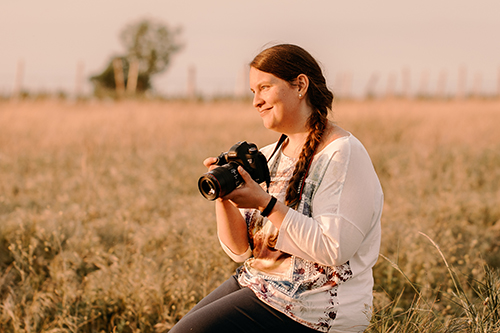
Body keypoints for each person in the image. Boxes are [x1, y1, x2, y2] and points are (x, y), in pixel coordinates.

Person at [170, 44, 383, 333]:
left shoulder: (342, 153)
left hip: (318, 306)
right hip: (262, 284)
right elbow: (239, 251)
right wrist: (223, 196)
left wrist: (266, 204)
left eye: (265, 88)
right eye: (252, 92)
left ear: (300, 85)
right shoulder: (268, 155)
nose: (256, 101)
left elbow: (334, 249)